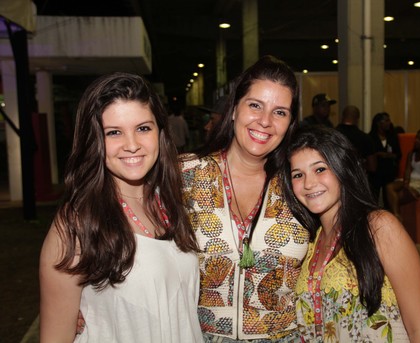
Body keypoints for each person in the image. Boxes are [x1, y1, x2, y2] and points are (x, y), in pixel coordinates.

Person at [39, 72, 203, 342]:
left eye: (143, 128)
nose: (132, 145)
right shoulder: (76, 224)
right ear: (95, 142)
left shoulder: (169, 202)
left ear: (160, 133)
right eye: (114, 132)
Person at [180, 55, 310, 342]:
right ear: (234, 109)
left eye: (280, 112)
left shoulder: (299, 184)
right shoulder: (183, 175)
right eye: (255, 105)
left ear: (290, 123)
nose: (264, 121)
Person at [282, 126, 420, 342]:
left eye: (320, 169)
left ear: (342, 168)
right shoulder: (309, 244)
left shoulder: (379, 227)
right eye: (298, 175)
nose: (308, 183)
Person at [368, 112, 402, 209]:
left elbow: (398, 154)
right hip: (375, 175)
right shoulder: (370, 138)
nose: (389, 123)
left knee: (388, 202)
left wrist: (387, 155)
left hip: (389, 173)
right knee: (373, 201)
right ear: (378, 123)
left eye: (389, 120)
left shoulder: (392, 137)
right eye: (386, 120)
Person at [335, 105, 376, 174]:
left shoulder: (331, 135)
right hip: (356, 179)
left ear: (342, 116)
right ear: (357, 119)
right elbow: (372, 167)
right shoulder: (365, 138)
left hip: (336, 177)